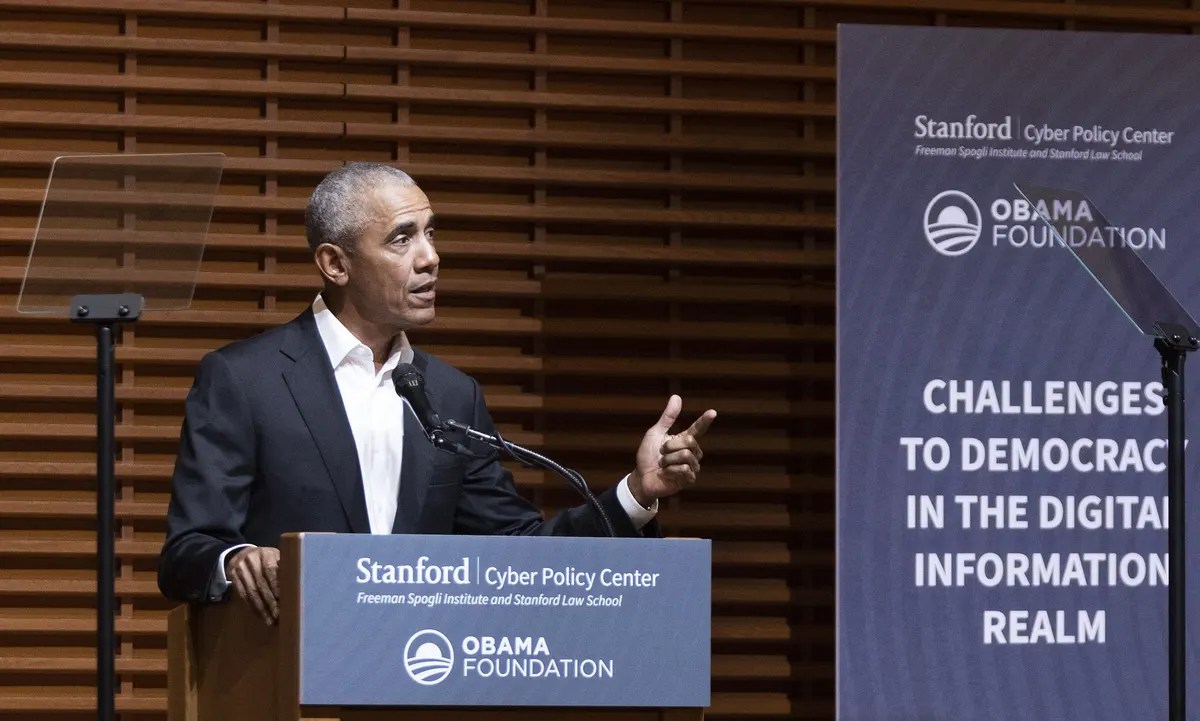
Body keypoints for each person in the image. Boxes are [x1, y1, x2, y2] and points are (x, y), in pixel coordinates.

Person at [157, 163, 716, 624]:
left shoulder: (450, 395)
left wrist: (636, 494)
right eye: (402, 239)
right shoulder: (246, 380)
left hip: (419, 675)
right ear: (335, 264)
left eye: (431, 233)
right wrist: (238, 560)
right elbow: (187, 552)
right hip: (284, 673)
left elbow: (520, 553)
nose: (430, 257)